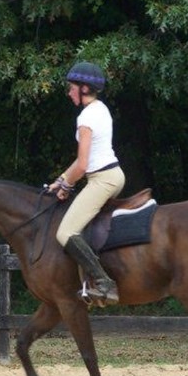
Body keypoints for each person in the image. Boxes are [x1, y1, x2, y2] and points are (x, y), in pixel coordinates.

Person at [47, 61, 125, 305]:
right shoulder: (100, 109)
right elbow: (83, 160)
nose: (69, 92)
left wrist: (68, 186)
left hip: (102, 180)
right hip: (110, 175)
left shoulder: (86, 117)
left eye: (71, 88)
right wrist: (60, 180)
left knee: (65, 232)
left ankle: (104, 283)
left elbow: (82, 165)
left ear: (83, 89)